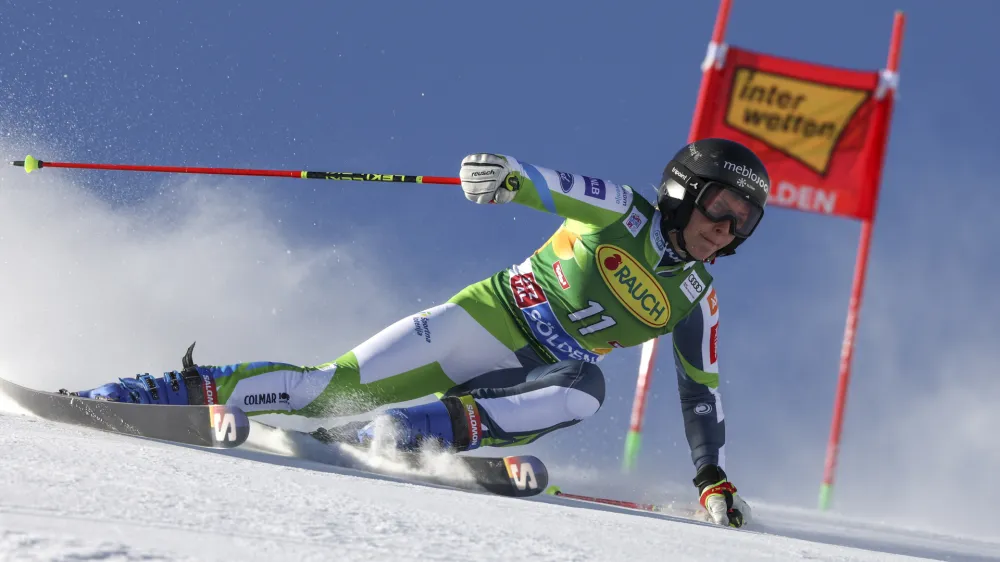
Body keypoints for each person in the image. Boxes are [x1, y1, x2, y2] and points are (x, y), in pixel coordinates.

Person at [68, 137, 769, 528]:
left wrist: (711, 477)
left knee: (585, 386)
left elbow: (699, 394)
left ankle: (404, 434)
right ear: (685, 189)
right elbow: (552, 184)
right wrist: (504, 178)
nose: (725, 228)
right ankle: (149, 391)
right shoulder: (622, 211)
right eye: (720, 206)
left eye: (744, 221)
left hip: (533, 377)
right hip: (484, 321)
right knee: (325, 393)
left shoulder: (696, 298)